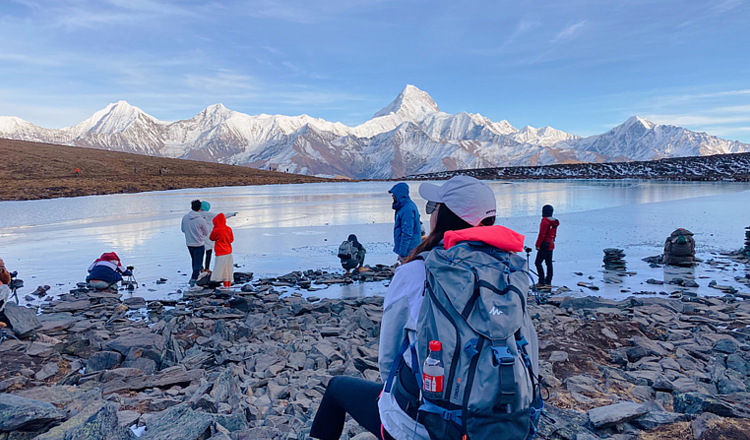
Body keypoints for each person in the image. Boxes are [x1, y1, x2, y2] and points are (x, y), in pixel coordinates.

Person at [311, 175, 505, 440]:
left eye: (433, 208)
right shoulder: (509, 271)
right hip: (493, 420)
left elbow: (388, 360)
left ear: (445, 217)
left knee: (336, 388)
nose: (430, 215)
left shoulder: (415, 272)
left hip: (426, 425)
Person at [199, 201, 238, 273]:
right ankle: (207, 268)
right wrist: (233, 214)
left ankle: (201, 267)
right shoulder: (210, 215)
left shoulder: (197, 215)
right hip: (209, 237)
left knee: (200, 254)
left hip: (199, 237)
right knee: (208, 253)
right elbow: (222, 216)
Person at [388, 183, 421, 264]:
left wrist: (403, 253)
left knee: (408, 272)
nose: (392, 196)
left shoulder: (407, 210)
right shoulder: (403, 207)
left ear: (399, 194)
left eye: (393, 194)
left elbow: (407, 233)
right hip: (409, 249)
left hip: (410, 250)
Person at [181, 200, 209, 286]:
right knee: (198, 263)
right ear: (200, 208)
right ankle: (193, 281)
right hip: (199, 244)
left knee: (194, 261)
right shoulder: (201, 220)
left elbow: (183, 230)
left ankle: (197, 279)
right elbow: (206, 233)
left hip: (189, 243)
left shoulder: (185, 217)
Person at [534, 204, 559, 289]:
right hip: (551, 244)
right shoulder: (554, 221)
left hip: (544, 244)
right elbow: (554, 234)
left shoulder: (545, 221)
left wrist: (537, 245)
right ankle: (548, 281)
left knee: (538, 263)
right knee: (549, 263)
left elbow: (542, 234)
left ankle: (541, 281)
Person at [209, 213, 234, 288]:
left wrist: (214, 228)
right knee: (227, 269)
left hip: (220, 252)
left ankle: (219, 283)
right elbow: (231, 240)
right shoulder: (228, 229)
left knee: (220, 269)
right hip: (228, 251)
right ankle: (228, 284)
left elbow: (211, 238)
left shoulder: (216, 230)